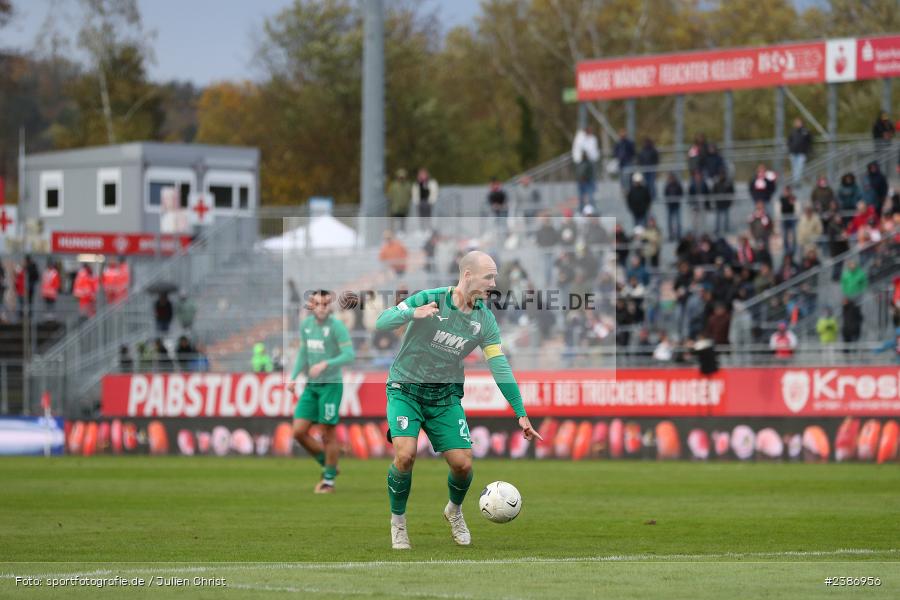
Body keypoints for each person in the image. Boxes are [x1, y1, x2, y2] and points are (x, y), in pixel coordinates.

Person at [374, 251, 541, 549]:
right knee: (405, 455)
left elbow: (499, 364)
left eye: (494, 277)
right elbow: (382, 321)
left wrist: (520, 412)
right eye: (488, 276)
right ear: (467, 275)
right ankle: (398, 522)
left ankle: (454, 510)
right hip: (405, 389)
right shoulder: (430, 299)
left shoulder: (485, 320)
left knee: (463, 465)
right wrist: (412, 313)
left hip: (444, 396)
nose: (493, 283)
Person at [287, 290, 356, 494]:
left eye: (325, 304)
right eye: (317, 303)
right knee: (298, 432)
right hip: (311, 385)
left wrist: (326, 363)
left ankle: (328, 481)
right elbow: (303, 352)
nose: (322, 307)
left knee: (327, 433)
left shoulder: (337, 327)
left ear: (330, 306)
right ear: (311, 306)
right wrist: (293, 376)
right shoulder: (306, 326)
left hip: (331, 385)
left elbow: (349, 355)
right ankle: (329, 465)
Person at [572, 125, 600, 214]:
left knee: (588, 195)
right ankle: (582, 209)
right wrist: (582, 178)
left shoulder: (587, 163)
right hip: (584, 181)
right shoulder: (582, 163)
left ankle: (590, 209)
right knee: (583, 195)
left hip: (587, 180)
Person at [787, 118, 813, 185]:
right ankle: (796, 181)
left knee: (800, 167)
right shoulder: (792, 131)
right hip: (793, 152)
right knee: (794, 168)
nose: (797, 124)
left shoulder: (806, 131)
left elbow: (810, 141)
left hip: (802, 152)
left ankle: (797, 182)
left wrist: (808, 149)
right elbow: (789, 141)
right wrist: (790, 149)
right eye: (796, 123)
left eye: (799, 122)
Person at [387, 168, 411, 232]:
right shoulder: (394, 185)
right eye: (400, 177)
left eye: (403, 177)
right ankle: (394, 232)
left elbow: (409, 195)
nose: (401, 178)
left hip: (404, 207)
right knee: (395, 221)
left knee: (403, 221)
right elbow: (390, 195)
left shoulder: (408, 185)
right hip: (395, 207)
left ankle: (402, 232)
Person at [779, 185, 798, 257]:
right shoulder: (781, 198)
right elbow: (785, 207)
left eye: (788, 191)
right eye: (785, 191)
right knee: (784, 235)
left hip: (792, 218)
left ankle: (793, 250)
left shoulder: (793, 197)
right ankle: (786, 251)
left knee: (794, 234)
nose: (786, 192)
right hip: (784, 218)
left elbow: (792, 205)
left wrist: (790, 198)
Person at [663, 172, 683, 240]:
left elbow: (681, 193)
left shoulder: (678, 185)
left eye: (672, 178)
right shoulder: (667, 186)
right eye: (670, 178)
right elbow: (665, 194)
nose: (671, 179)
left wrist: (677, 199)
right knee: (670, 222)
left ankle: (678, 235)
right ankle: (671, 235)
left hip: (676, 205)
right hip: (670, 206)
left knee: (678, 221)